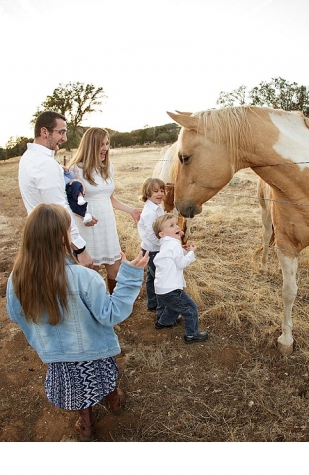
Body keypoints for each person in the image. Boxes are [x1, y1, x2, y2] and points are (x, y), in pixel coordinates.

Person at [6, 204, 149, 440]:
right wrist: (130, 275)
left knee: (79, 390)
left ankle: (87, 424)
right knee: (103, 377)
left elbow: (15, 314)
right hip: (94, 350)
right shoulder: (84, 277)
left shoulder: (17, 279)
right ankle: (114, 401)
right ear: (62, 239)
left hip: (59, 355)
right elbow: (111, 314)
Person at [66, 127, 141, 292]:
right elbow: (70, 202)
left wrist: (131, 210)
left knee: (115, 269)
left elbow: (109, 198)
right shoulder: (75, 169)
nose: (106, 148)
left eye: (107, 144)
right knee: (91, 270)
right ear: (91, 145)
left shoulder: (108, 168)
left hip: (107, 223)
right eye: (101, 144)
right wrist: (84, 215)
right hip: (86, 224)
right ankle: (93, 306)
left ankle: (114, 305)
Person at [18, 111, 95, 268]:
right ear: (44, 132)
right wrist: (80, 249)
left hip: (38, 238)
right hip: (55, 243)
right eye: (61, 132)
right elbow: (60, 209)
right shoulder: (44, 164)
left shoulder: (28, 157)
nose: (64, 138)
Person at [152, 213, 209, 343]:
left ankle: (164, 322)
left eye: (176, 224)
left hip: (161, 289)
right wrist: (191, 253)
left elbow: (173, 258)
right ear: (162, 234)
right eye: (171, 225)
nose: (177, 226)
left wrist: (182, 251)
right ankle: (191, 335)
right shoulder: (174, 245)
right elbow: (181, 263)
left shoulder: (166, 244)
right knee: (190, 308)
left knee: (173, 306)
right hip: (171, 289)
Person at [137, 177, 166, 314]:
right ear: (147, 194)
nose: (160, 193)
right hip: (152, 249)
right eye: (156, 191)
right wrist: (164, 243)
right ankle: (160, 308)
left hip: (154, 248)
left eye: (162, 190)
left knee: (152, 276)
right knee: (158, 278)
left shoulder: (158, 208)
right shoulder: (149, 212)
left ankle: (152, 303)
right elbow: (151, 234)